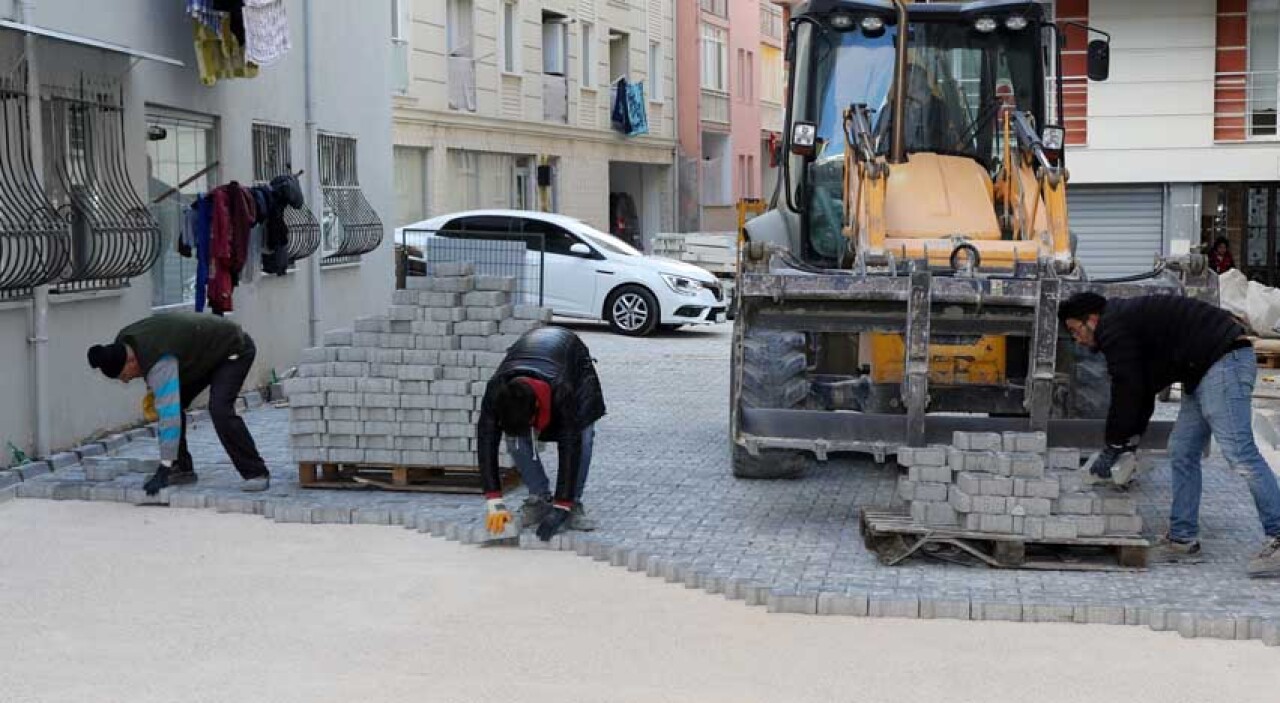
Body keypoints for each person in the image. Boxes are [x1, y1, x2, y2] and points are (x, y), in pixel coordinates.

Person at [1059, 291, 1280, 577]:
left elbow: (1126, 388)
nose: (1078, 339)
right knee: (1182, 449)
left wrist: (1114, 444)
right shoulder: (1124, 323)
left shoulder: (1113, 327)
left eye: (1076, 331)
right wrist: (1129, 442)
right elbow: (1142, 391)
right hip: (1203, 369)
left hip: (1225, 361)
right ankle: (1182, 538)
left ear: (1092, 319)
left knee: (1240, 453)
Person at [87, 312, 271, 495]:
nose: (127, 381)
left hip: (233, 349)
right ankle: (181, 469)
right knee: (174, 401)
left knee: (219, 408)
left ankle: (256, 472)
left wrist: (164, 465)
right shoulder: (123, 343)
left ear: (131, 360)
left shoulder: (159, 361)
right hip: (200, 357)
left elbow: (170, 414)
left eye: (125, 376)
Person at [477, 327, 606, 541]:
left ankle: (572, 503)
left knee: (582, 437)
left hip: (572, 362)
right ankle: (539, 499)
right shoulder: (497, 391)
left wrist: (562, 504)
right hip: (534, 359)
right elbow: (486, 440)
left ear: (536, 408)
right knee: (516, 437)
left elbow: (569, 444)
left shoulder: (563, 390)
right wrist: (494, 501)